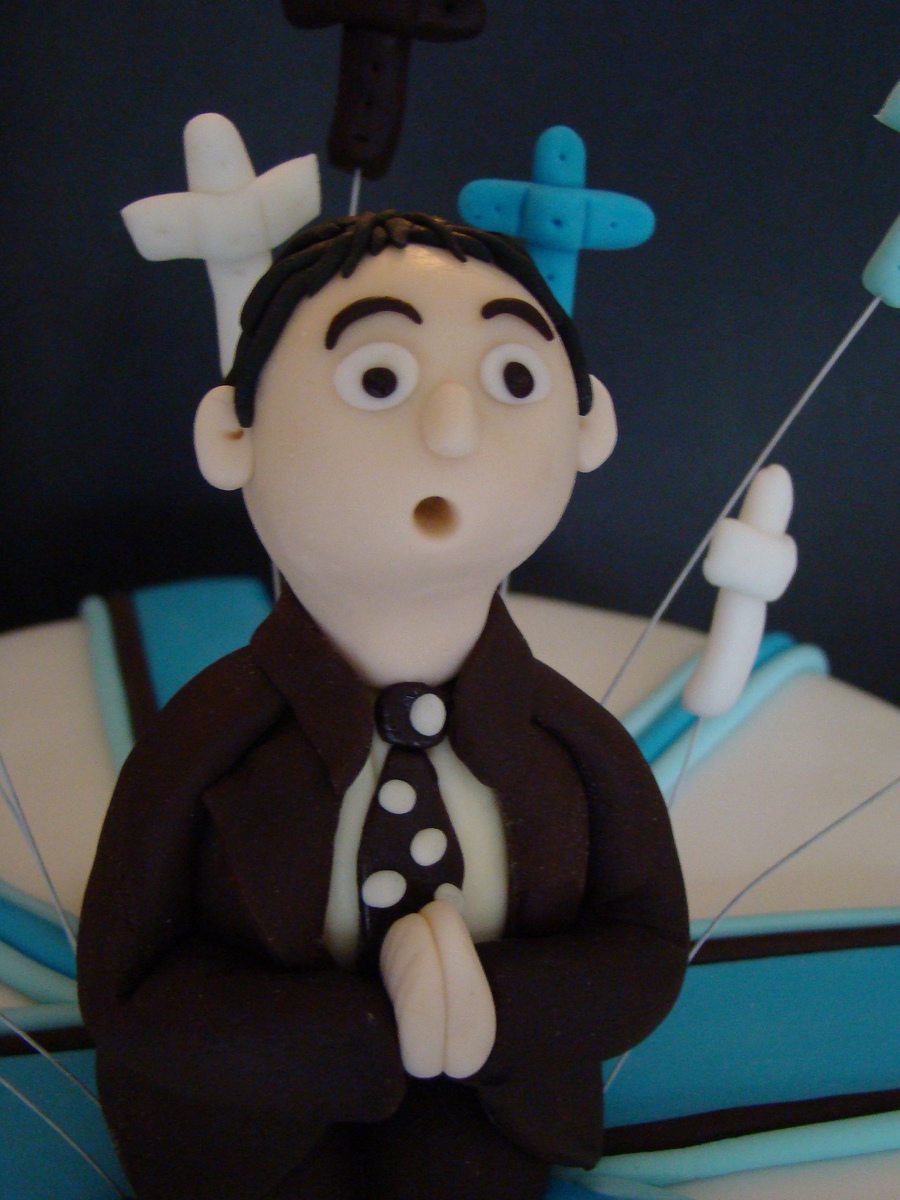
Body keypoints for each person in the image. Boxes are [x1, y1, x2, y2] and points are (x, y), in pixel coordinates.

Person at [78, 211, 688, 1200]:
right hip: (248, 1127)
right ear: (232, 434)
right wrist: (355, 1035)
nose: (451, 429)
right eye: (378, 379)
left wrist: (495, 1011)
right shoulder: (205, 741)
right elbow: (127, 986)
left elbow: (648, 949)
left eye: (512, 377)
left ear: (589, 426)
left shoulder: (576, 745)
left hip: (496, 1102)